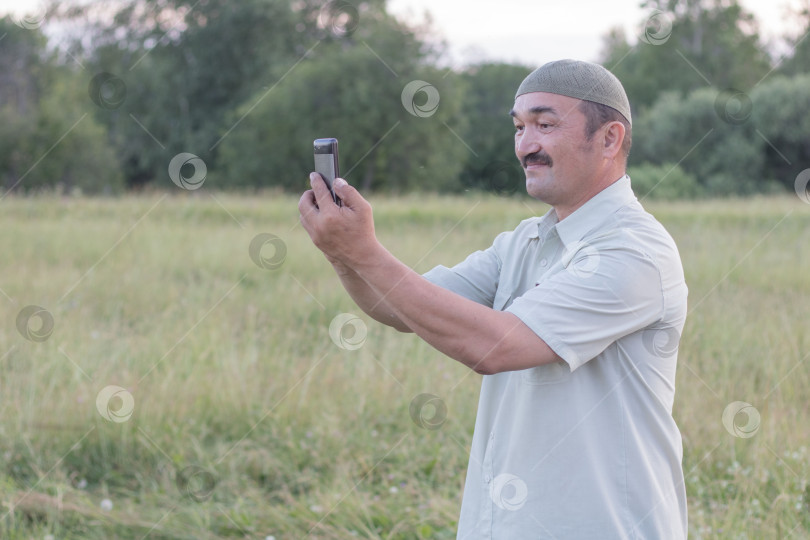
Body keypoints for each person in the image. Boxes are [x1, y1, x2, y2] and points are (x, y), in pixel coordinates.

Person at [298, 59, 688, 539]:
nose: (526, 146)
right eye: (519, 128)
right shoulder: (523, 241)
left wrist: (365, 251)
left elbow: (495, 347)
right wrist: (342, 255)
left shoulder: (634, 251)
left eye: (545, 125)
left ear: (609, 139)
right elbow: (397, 308)